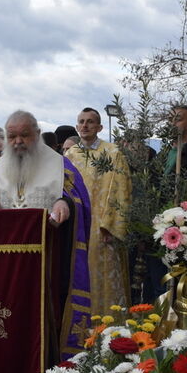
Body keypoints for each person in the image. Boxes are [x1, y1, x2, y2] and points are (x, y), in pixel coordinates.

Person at [0, 110, 93, 361]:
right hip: (5, 263)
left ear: (38, 134)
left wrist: (64, 203)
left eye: (25, 135)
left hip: (46, 264)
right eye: (12, 136)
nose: (18, 141)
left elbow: (77, 199)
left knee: (41, 320)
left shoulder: (60, 165)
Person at [65, 107, 132, 315]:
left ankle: (108, 324)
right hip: (77, 226)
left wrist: (110, 225)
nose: (85, 125)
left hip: (101, 227)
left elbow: (121, 189)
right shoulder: (70, 155)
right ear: (77, 126)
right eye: (81, 121)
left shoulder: (113, 153)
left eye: (90, 122)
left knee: (104, 275)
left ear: (99, 127)